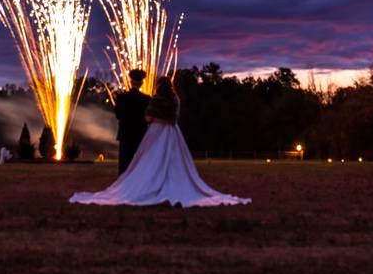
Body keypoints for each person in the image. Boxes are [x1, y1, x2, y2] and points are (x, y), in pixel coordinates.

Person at [70, 76, 251, 207]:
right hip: (171, 131)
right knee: (174, 160)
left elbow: (146, 117)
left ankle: (139, 183)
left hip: (151, 132)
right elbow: (174, 116)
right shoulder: (172, 100)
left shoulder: (147, 99)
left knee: (144, 161)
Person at [113, 69, 151, 175]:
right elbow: (148, 116)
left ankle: (122, 186)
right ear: (142, 83)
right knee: (140, 163)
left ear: (130, 81)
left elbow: (118, 115)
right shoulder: (147, 99)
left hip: (125, 133)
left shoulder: (121, 97)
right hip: (140, 134)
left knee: (124, 164)